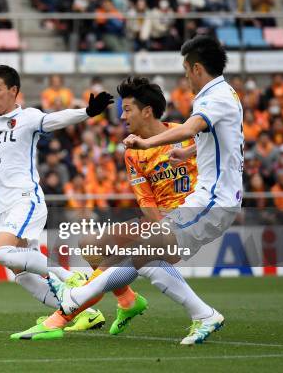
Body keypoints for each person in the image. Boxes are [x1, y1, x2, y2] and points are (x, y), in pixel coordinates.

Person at [15, 36, 243, 345]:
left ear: (197, 68)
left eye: (186, 70)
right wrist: (188, 155)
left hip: (207, 202)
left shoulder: (205, 104)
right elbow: (220, 144)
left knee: (138, 255)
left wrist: (149, 143)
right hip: (192, 207)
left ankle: (68, 307)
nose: (185, 77)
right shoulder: (224, 96)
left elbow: (191, 130)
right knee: (123, 252)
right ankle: (164, 308)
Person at [0, 65, 115, 330]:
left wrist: (87, 113)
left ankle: (70, 277)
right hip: (4, 208)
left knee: (2, 253)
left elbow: (55, 119)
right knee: (22, 273)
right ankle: (81, 311)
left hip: (26, 199)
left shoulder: (27, 117)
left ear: (13, 91)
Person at [13, 76, 199, 339]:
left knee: (116, 259)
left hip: (192, 220)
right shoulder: (133, 150)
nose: (121, 116)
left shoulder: (187, 134)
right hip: (160, 221)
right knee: (90, 245)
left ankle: (61, 318)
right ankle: (128, 301)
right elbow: (145, 199)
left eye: (127, 109)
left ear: (147, 112)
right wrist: (158, 229)